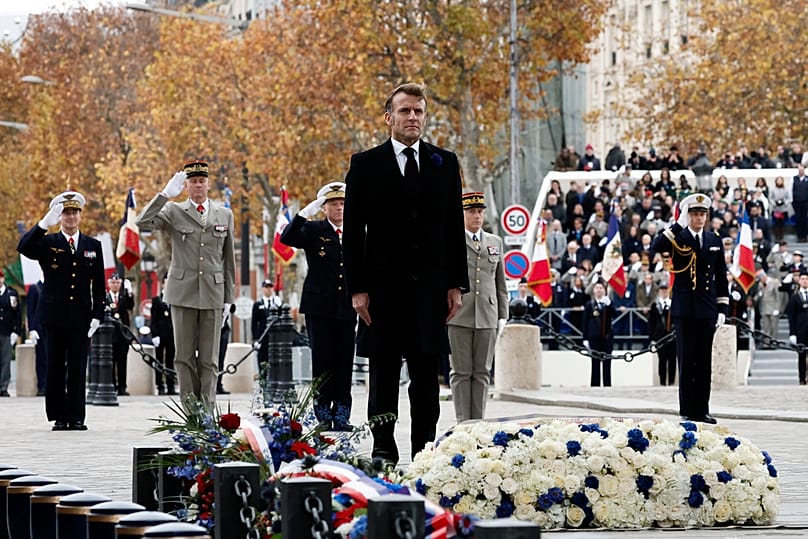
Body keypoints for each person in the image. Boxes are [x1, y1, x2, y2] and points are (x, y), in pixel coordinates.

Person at [342, 82, 469, 464]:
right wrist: (357, 289)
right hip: (382, 291)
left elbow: (453, 229)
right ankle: (384, 446)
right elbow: (352, 233)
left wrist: (456, 285)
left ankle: (424, 449)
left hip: (430, 291)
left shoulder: (444, 163)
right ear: (388, 118)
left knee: (426, 378)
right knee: (382, 374)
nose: (412, 117)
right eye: (404, 111)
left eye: (418, 111)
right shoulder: (365, 165)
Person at [136, 160, 236, 404]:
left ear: (208, 183)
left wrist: (228, 299)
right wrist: (163, 195)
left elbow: (229, 260)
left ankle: (207, 411)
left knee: (210, 358)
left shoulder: (224, 214)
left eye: (202, 181)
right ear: (186, 186)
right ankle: (191, 411)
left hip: (213, 291)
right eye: (193, 182)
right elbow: (142, 223)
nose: (198, 185)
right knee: (183, 356)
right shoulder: (173, 211)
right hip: (182, 292)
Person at [17, 191, 105, 430]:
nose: (70, 217)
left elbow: (99, 285)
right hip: (53, 315)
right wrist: (44, 223)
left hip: (80, 316)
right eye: (66, 213)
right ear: (60, 216)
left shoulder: (92, 245)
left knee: (77, 367)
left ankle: (76, 416)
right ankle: (58, 416)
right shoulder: (48, 242)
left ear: (80, 215)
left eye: (74, 212)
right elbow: (23, 246)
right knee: (55, 366)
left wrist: (98, 314)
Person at [280, 181, 357, 430]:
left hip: (347, 306)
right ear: (324, 207)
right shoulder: (314, 230)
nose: (339, 208)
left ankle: (342, 413)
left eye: (343, 204)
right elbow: (287, 237)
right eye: (334, 204)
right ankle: (323, 414)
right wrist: (303, 214)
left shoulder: (356, 231)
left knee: (344, 362)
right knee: (322, 362)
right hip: (319, 307)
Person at [652, 193, 729, 424]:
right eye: (695, 214)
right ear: (688, 216)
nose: (699, 218)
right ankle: (687, 409)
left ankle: (702, 409)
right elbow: (657, 246)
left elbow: (721, 276)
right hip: (685, 309)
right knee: (686, 361)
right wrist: (677, 224)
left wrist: (722, 309)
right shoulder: (678, 237)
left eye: (702, 214)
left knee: (704, 362)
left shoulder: (714, 240)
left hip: (706, 309)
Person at [446, 192, 508, 422]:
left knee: (482, 371)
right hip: (459, 314)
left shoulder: (495, 242)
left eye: (480, 212)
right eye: (471, 212)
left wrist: (503, 314)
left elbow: (499, 282)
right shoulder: (451, 241)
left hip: (487, 314)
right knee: (461, 372)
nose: (477, 216)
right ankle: (463, 421)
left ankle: (478, 421)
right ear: (462, 214)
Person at [581, 280, 616, 386]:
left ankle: (607, 385)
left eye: (601, 288)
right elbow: (585, 322)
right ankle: (595, 386)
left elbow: (614, 314)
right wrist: (585, 338)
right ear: (594, 290)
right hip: (594, 337)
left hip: (607, 337)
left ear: (605, 290)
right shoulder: (589, 304)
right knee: (595, 363)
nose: (599, 290)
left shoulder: (608, 303)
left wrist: (609, 304)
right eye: (597, 288)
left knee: (607, 363)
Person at [105, 273, 134, 396]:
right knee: (110, 362)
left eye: (117, 283)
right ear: (109, 284)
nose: (115, 285)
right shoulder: (105, 298)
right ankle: (112, 385)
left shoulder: (123, 297)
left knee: (122, 362)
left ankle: (122, 387)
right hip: (110, 336)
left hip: (122, 336)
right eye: (113, 282)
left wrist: (130, 293)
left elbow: (131, 306)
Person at [251, 279, 283, 376]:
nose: (268, 289)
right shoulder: (258, 304)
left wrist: (280, 306)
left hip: (274, 337)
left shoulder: (276, 302)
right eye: (266, 287)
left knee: (275, 361)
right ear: (263, 289)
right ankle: (263, 383)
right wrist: (256, 339)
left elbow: (282, 318)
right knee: (262, 360)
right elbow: (254, 323)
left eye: (270, 287)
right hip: (262, 337)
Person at [151, 275, 176, 396]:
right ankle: (160, 385)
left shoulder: (175, 299)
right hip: (160, 335)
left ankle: (171, 386)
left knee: (171, 361)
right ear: (162, 284)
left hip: (172, 335)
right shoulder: (157, 300)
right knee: (159, 361)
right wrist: (154, 334)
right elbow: (154, 320)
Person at [648, 284, 676, 385]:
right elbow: (651, 323)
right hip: (660, 337)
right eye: (662, 290)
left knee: (672, 360)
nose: (664, 292)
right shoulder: (655, 306)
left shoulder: (673, 304)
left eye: (665, 290)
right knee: (662, 360)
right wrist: (652, 338)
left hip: (672, 337)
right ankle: (662, 382)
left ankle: (672, 381)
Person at [0, 270, 22, 397]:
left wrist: (16, 331)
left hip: (7, 331)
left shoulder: (11, 293)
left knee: (5, 360)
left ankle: (3, 387)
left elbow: (17, 314)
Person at [786, 269, 808, 385]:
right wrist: (792, 333)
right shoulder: (795, 297)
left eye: (807, 279)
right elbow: (791, 316)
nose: (805, 281)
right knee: (802, 356)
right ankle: (802, 378)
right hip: (801, 331)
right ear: (799, 281)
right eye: (803, 279)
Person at [26, 280, 47, 396]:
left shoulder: (53, 286)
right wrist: (32, 329)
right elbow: (30, 310)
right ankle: (42, 385)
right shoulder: (35, 288)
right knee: (41, 358)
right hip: (39, 329)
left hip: (52, 327)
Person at [216, 303, 236, 395]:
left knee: (221, 358)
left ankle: (218, 384)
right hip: (211, 327)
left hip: (223, 328)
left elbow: (233, 309)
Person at [792, 164, 808, 242]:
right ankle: (799, 236)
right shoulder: (794, 179)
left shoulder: (807, 179)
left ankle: (805, 236)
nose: (801, 171)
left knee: (805, 220)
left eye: (802, 170)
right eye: (799, 170)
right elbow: (791, 190)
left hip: (806, 203)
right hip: (797, 202)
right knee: (798, 220)